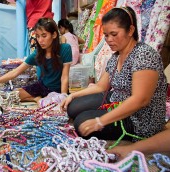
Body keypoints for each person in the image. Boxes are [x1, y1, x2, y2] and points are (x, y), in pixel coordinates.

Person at [61, 7, 167, 141]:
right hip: (117, 99)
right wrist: (73, 95)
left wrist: (100, 121)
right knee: (73, 107)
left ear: (130, 30)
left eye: (114, 34)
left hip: (139, 118)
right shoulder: (116, 55)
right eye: (106, 35)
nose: (109, 39)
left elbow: (140, 100)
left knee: (81, 122)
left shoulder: (144, 56)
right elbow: (101, 87)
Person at [0, 18, 72, 102]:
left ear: (54, 35)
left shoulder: (65, 49)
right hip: (42, 86)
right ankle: (36, 99)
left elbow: (64, 76)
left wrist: (63, 95)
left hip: (57, 90)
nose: (40, 40)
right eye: (38, 36)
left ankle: (41, 99)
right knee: (13, 95)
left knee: (55, 102)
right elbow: (15, 72)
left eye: (44, 36)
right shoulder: (37, 54)